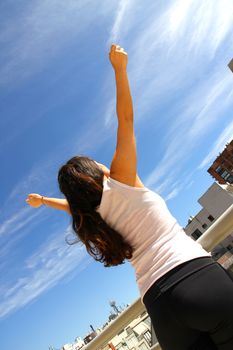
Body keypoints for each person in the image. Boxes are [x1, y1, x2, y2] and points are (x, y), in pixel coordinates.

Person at [26, 44, 233, 350]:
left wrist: (44, 201)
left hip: (160, 308)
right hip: (195, 277)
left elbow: (71, 207)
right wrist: (120, 70)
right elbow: (126, 120)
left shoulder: (94, 219)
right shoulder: (121, 181)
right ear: (92, 172)